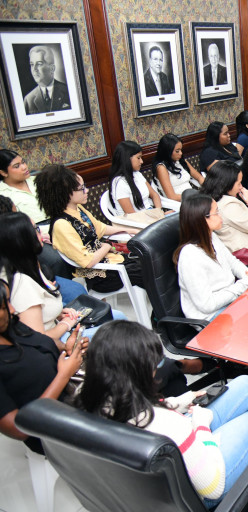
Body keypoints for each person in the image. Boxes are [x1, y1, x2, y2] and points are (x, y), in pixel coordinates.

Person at [76, 320, 248, 507]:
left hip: (151, 482)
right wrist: (202, 426)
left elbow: (140, 411)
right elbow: (212, 486)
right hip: (201, 485)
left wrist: (177, 402)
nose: (156, 370)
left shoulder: (85, 398)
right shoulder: (167, 424)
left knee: (246, 386)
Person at [0, 212, 127, 343]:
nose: (41, 233)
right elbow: (39, 340)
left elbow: (42, 311)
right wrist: (65, 324)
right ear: (22, 240)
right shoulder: (22, 283)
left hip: (57, 325)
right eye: (36, 229)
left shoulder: (29, 265)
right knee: (122, 329)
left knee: (118, 316)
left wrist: (59, 314)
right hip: (55, 341)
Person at [0, 278, 86, 454]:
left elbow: (42, 342)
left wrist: (67, 348)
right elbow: (18, 429)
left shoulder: (11, 326)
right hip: (50, 429)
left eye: (8, 301)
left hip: (71, 401)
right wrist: (63, 375)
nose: (12, 309)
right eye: (3, 307)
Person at [35, 164, 142, 293]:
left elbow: (100, 228)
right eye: (82, 189)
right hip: (101, 276)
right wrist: (107, 246)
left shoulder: (78, 209)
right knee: (148, 270)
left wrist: (129, 230)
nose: (87, 191)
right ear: (65, 193)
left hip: (112, 261)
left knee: (152, 260)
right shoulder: (61, 225)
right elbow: (88, 262)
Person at [174, 193, 248, 321]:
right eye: (216, 212)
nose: (220, 215)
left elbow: (232, 262)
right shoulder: (190, 255)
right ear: (203, 219)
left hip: (232, 302)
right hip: (214, 317)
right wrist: (246, 282)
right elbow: (207, 305)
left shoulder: (211, 236)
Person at [0, 150, 72, 279]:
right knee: (56, 260)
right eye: (17, 166)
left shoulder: (39, 181)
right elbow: (13, 226)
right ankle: (62, 289)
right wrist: (40, 234)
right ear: (3, 172)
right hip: (32, 234)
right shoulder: (2, 194)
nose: (24, 167)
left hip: (58, 224)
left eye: (23, 162)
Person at [108, 140, 169, 225]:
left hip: (150, 216)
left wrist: (159, 212)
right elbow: (133, 216)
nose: (141, 161)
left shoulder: (137, 174)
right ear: (127, 159)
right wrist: (157, 218)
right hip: (137, 224)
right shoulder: (120, 183)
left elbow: (154, 195)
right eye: (138, 158)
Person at [152, 133, 205, 202]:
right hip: (179, 202)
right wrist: (196, 196)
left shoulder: (181, 161)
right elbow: (172, 197)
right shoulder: (161, 168)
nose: (181, 153)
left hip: (193, 197)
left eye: (181, 150)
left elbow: (199, 177)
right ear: (167, 151)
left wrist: (207, 188)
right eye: (177, 151)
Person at [23, 45, 70, 115]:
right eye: (32, 64)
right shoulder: (28, 100)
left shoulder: (68, 91)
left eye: (39, 64)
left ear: (52, 68)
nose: (34, 69)